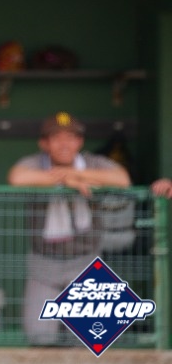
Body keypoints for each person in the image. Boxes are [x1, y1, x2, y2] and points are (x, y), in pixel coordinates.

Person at [7, 111, 131, 346]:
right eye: (57, 138)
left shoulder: (91, 162)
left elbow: (122, 179)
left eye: (71, 137)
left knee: (93, 339)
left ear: (80, 142)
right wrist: (66, 181)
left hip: (86, 261)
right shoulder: (36, 163)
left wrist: (73, 173)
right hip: (44, 262)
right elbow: (17, 177)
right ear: (44, 143)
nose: (64, 144)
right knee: (39, 337)